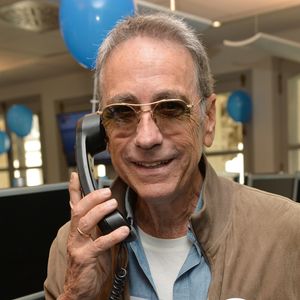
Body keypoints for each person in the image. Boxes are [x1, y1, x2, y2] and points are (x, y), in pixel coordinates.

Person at [44, 13, 300, 300]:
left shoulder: (287, 232)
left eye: (171, 108)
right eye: (122, 112)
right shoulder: (76, 246)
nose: (147, 138)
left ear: (209, 118)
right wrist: (76, 295)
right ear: (100, 131)